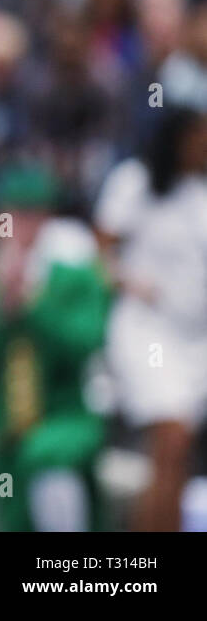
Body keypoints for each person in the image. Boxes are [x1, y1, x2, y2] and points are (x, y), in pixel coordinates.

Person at [0, 164, 109, 532]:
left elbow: (88, 343)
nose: (19, 225)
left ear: (47, 219)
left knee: (51, 472)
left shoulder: (75, 277)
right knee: (10, 516)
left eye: (30, 214)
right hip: (4, 433)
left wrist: (34, 306)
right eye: (10, 214)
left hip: (65, 420)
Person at [103, 105, 207, 530]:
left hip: (194, 337)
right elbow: (100, 253)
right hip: (147, 331)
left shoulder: (201, 191)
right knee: (172, 435)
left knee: (176, 457)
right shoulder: (134, 182)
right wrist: (131, 281)